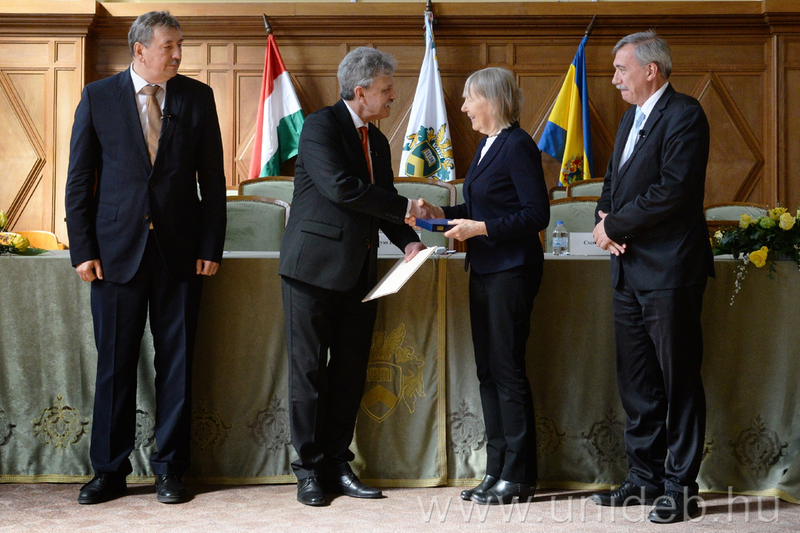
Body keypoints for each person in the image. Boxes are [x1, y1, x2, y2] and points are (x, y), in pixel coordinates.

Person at [65, 11, 226, 505]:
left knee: (177, 365)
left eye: (180, 45)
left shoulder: (198, 97)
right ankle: (109, 471)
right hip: (114, 255)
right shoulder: (98, 97)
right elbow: (78, 180)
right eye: (169, 46)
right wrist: (82, 249)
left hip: (181, 255)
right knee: (114, 366)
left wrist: (210, 246)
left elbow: (213, 180)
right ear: (139, 49)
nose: (178, 54)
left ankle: (170, 469)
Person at [278, 46, 426, 507]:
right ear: (360, 92)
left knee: (349, 373)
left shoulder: (376, 140)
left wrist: (409, 241)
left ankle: (337, 464)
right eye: (386, 89)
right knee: (308, 374)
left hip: (360, 274)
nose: (393, 96)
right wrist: (407, 207)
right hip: (311, 272)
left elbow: (381, 199)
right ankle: (308, 471)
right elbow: (343, 189)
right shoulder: (320, 126)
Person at [590, 31, 713, 523]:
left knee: (677, 380)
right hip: (628, 270)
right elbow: (613, 182)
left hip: (670, 271)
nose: (615, 79)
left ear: (650, 70)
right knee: (637, 382)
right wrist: (603, 219)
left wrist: (614, 225)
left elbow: (672, 191)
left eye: (621, 70)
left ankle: (680, 488)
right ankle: (643, 478)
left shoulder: (685, 115)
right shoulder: (629, 118)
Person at [415, 67, 549, 505]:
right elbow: (479, 207)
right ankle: (497, 471)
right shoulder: (488, 145)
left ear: (492, 100)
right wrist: (441, 213)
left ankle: (520, 476)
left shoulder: (518, 144)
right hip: (486, 269)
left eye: (469, 99)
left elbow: (536, 214)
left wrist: (481, 228)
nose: (463, 107)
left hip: (512, 270)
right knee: (488, 372)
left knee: (507, 371)